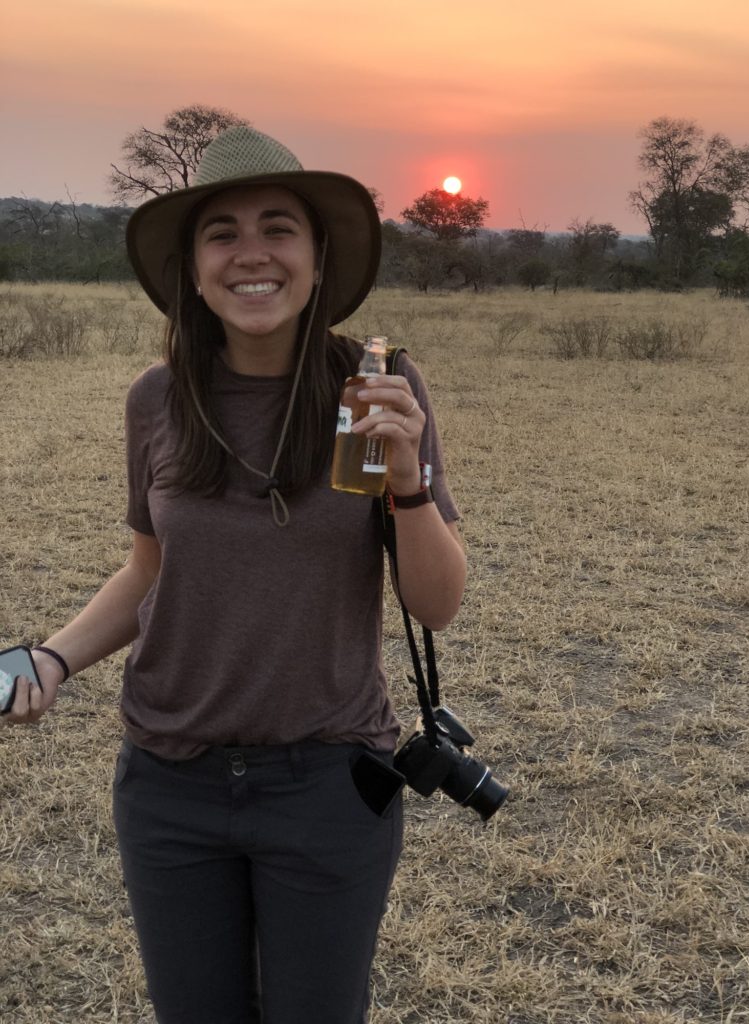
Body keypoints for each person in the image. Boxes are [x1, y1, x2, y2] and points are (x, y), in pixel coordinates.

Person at [5, 126, 466, 1024]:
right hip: (169, 784)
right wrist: (53, 660)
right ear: (193, 265)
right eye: (221, 232)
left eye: (277, 228)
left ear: (317, 254)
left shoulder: (376, 389)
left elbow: (435, 606)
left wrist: (409, 486)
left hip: (330, 784)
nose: (251, 254)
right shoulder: (158, 399)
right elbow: (151, 567)